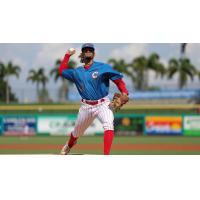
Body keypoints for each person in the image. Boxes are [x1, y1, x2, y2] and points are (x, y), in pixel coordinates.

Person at [60, 43, 129, 155]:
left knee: (108, 125)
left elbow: (118, 80)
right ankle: (69, 145)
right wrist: (67, 55)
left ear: (94, 53)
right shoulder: (77, 72)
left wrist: (125, 92)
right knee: (77, 132)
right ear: (82, 53)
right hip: (86, 107)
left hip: (103, 104)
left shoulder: (103, 67)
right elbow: (62, 71)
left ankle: (106, 155)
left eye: (90, 50)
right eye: (85, 50)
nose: (88, 51)